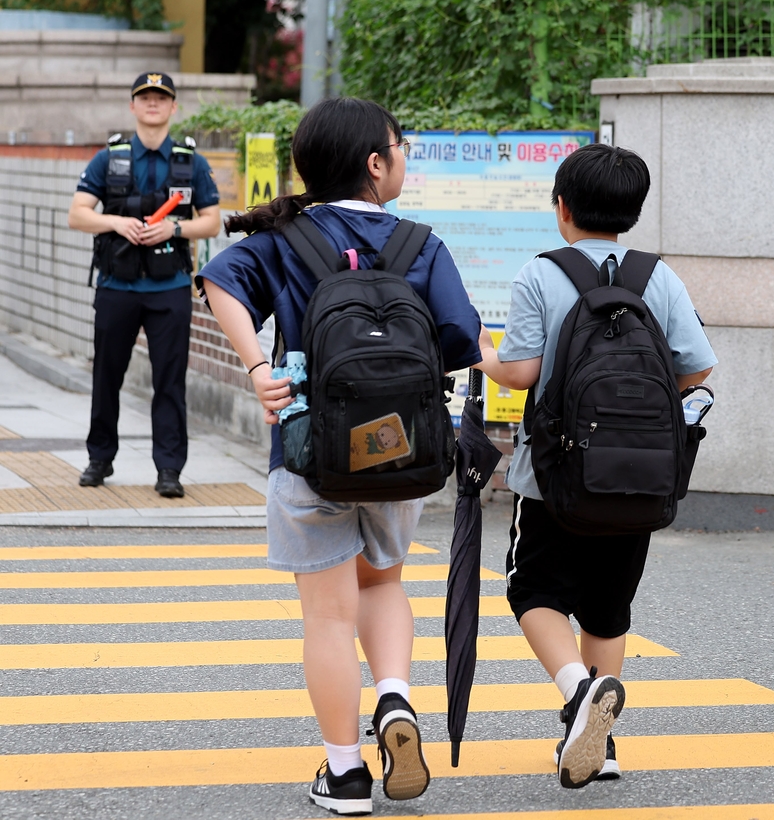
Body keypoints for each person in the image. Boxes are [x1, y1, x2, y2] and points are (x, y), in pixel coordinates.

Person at [198, 98, 481, 814]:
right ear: (376, 165)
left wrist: (262, 370)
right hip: (401, 458)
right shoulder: (422, 244)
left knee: (327, 617)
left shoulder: (284, 238)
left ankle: (346, 772)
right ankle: (394, 698)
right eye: (399, 146)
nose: (403, 156)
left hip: (308, 453)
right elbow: (459, 339)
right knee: (383, 585)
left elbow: (218, 281)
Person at [474, 143, 717, 787]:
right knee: (608, 609)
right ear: (632, 212)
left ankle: (579, 693)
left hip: (552, 478)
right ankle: (601, 747)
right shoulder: (656, 276)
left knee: (533, 591)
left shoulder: (541, 272)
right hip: (637, 477)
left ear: (562, 208)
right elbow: (696, 368)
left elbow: (521, 371)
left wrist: (479, 351)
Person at [68, 72, 223, 498]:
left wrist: (173, 229)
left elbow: (211, 221)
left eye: (161, 98)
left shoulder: (191, 162)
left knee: (170, 381)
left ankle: (169, 470)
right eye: (145, 97)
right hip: (117, 286)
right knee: (107, 375)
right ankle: (99, 458)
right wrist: (116, 221)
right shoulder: (109, 158)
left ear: (174, 108)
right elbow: (78, 214)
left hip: (169, 287)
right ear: (133, 106)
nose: (153, 104)